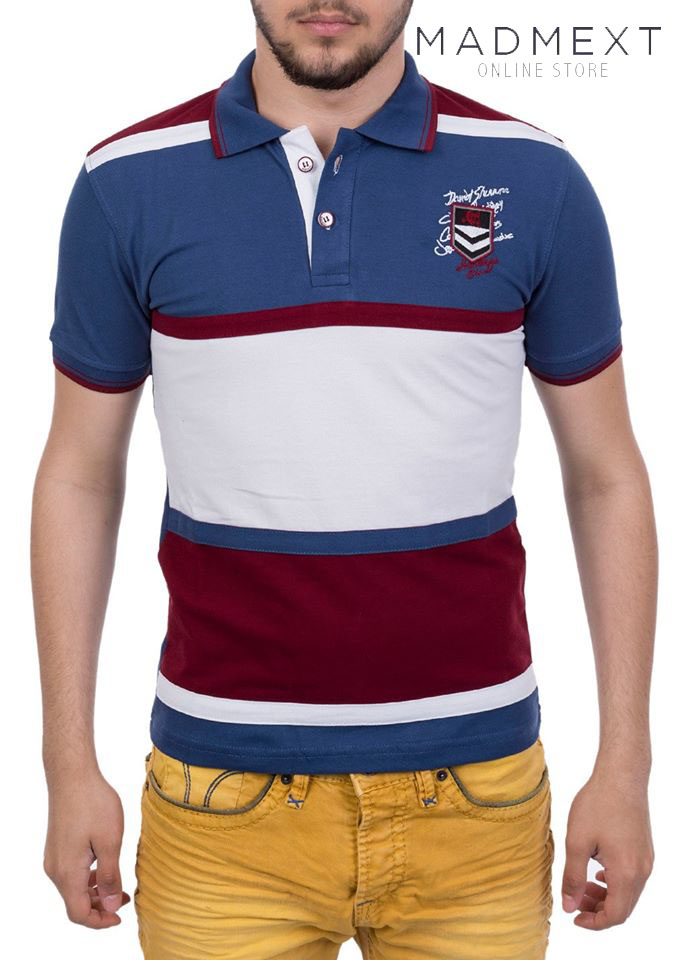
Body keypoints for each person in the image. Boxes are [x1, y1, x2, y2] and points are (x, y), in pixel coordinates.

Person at [32, 2, 657, 957]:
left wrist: (626, 763)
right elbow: (78, 473)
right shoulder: (127, 183)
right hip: (218, 797)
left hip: (478, 792)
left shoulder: (535, 178)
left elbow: (607, 475)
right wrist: (65, 763)